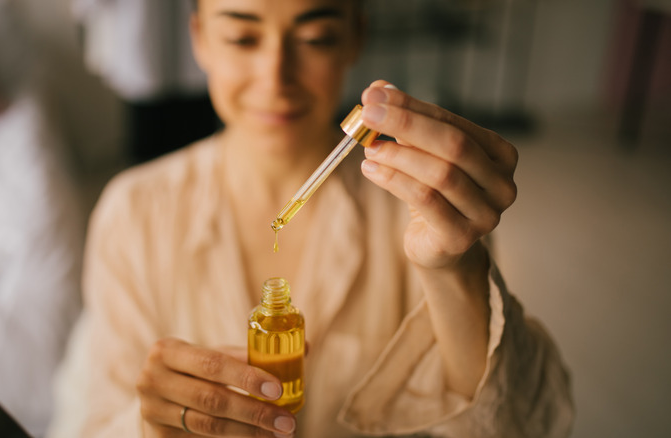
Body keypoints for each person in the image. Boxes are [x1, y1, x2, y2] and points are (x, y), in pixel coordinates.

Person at [52, 0, 574, 436]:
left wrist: (454, 268)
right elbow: (91, 419)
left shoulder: (418, 208)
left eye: (316, 38)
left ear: (354, 39)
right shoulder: (136, 210)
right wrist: (150, 427)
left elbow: (515, 425)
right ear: (200, 39)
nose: (275, 78)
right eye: (241, 38)